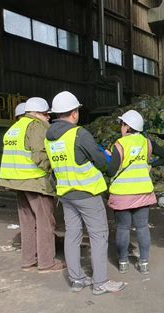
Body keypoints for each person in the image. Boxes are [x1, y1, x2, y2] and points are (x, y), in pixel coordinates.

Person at [45, 91, 124, 295]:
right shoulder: (78, 134)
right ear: (73, 113)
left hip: (66, 193)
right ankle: (100, 282)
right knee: (99, 235)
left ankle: (77, 279)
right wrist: (107, 156)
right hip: (87, 193)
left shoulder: (50, 138)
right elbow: (99, 161)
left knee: (72, 234)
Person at [0, 97, 65, 273]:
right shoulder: (35, 126)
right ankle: (46, 263)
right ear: (38, 114)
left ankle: (28, 261)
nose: (48, 118)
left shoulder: (15, 128)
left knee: (27, 222)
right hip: (35, 181)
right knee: (45, 222)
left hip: (17, 181)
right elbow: (39, 154)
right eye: (46, 114)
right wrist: (54, 169)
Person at [106, 110, 164, 275]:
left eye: (122, 124)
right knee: (142, 227)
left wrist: (109, 157)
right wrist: (151, 165)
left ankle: (123, 262)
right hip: (143, 192)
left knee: (122, 228)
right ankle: (143, 263)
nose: (121, 127)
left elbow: (110, 171)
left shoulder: (119, 145)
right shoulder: (147, 143)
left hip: (122, 194)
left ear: (127, 127)